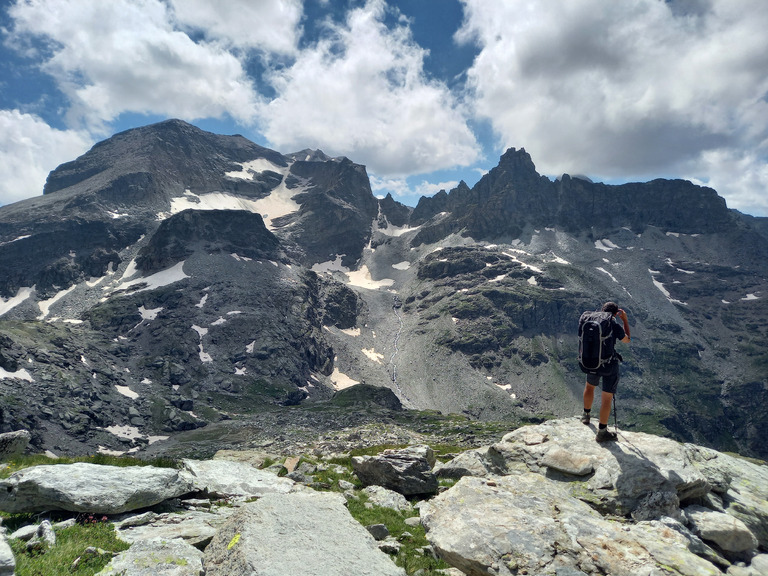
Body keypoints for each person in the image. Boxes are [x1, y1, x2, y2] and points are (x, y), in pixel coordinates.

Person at [581, 301, 631, 442]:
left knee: (589, 386)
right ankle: (602, 431)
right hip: (609, 365)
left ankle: (586, 416)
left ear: (602, 310)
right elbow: (627, 340)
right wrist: (625, 321)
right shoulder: (613, 323)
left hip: (592, 361)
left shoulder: (591, 320)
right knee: (606, 397)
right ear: (615, 313)